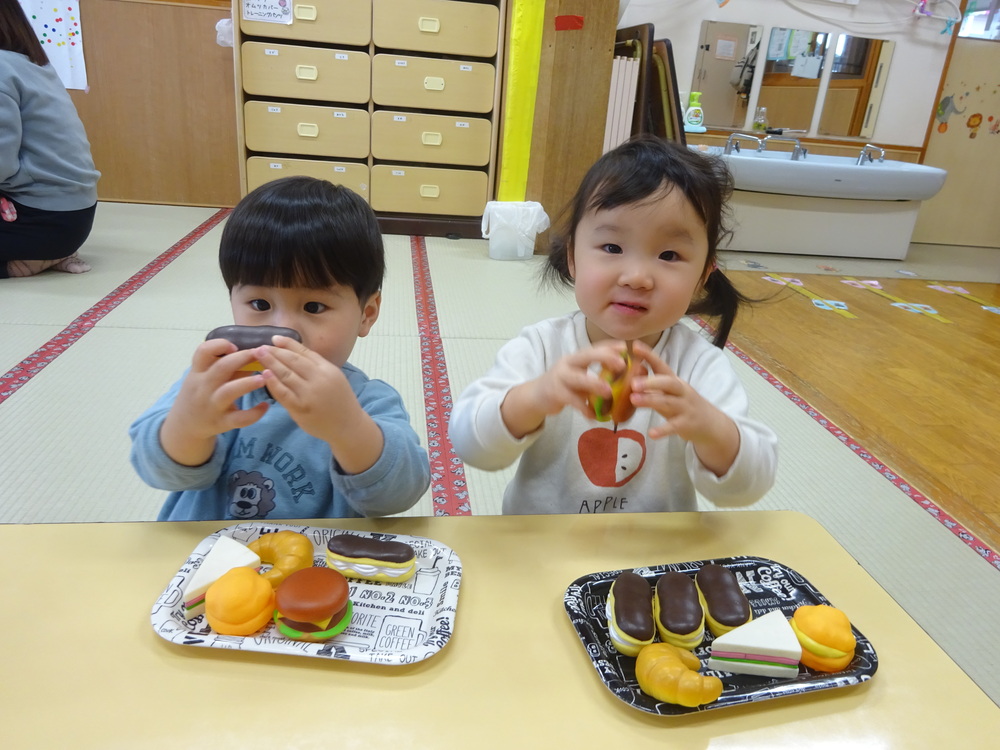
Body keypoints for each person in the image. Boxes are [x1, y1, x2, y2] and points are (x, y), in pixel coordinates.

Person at [449, 135, 777, 515]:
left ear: (704, 275)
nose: (637, 277)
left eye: (669, 255)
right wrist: (535, 397)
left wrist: (710, 428)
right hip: (542, 549)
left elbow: (746, 488)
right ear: (572, 256)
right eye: (612, 248)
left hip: (652, 560)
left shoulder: (698, 367)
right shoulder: (541, 348)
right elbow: (471, 446)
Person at [130, 177, 430, 521]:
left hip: (317, 568)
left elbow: (399, 495)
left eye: (314, 307)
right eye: (259, 303)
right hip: (213, 564)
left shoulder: (367, 402)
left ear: (367, 314)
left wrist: (348, 428)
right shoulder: (215, 386)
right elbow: (157, 471)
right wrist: (190, 426)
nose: (281, 330)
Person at [0, 1, 100, 278]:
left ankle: (22, 263)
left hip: (40, 221)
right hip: (73, 218)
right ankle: (42, 256)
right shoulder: (32, 64)